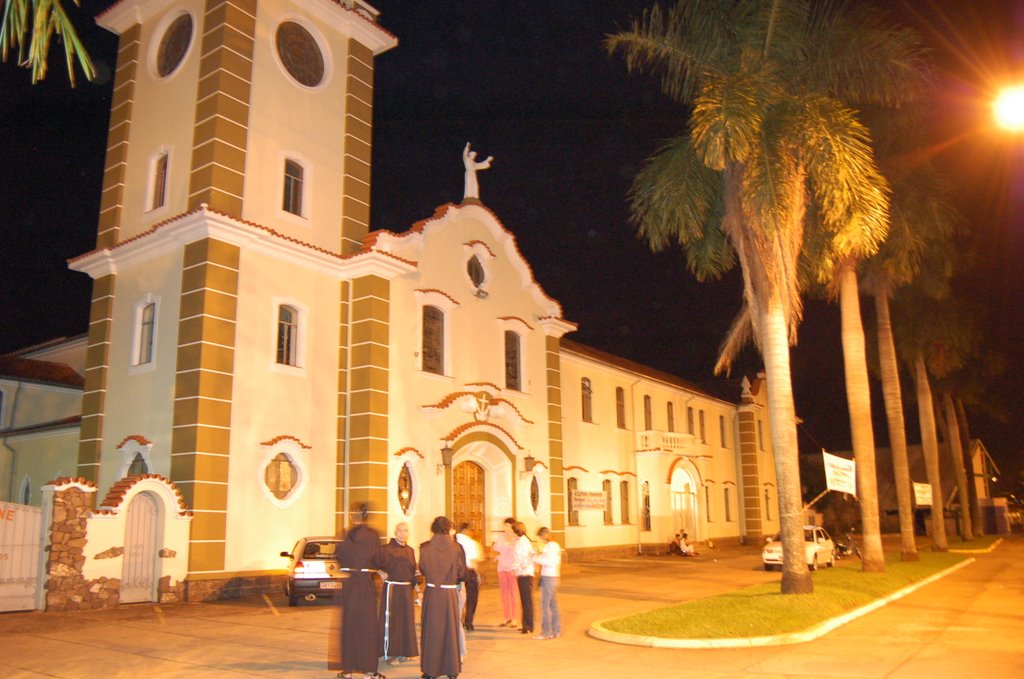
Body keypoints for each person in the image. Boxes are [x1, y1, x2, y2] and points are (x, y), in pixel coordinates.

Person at [332, 503, 385, 679]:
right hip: (364, 584)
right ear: (365, 515)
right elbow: (377, 559)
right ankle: (369, 671)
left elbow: (339, 556)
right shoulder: (372, 535)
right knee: (367, 627)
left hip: (349, 585)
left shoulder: (344, 534)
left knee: (349, 626)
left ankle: (347, 671)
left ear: (351, 516)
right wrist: (377, 569)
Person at [419, 516, 467, 679]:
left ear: (433, 528)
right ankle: (452, 670)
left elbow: (423, 568)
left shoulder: (425, 548)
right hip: (449, 594)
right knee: (450, 630)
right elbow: (461, 573)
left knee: (432, 630)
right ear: (448, 528)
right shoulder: (456, 548)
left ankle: (431, 671)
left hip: (432, 593)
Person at [378, 522, 418, 668]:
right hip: (392, 588)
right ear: (395, 532)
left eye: (406, 530)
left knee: (406, 621)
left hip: (406, 590)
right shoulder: (385, 549)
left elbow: (413, 571)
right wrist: (380, 572)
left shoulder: (411, 550)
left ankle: (405, 651)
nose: (403, 533)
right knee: (392, 622)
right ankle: (390, 654)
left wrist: (417, 588)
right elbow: (372, 562)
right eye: (400, 530)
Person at [531, 527, 561, 640]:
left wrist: (534, 557)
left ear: (544, 536)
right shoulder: (555, 545)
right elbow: (549, 559)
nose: (540, 540)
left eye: (540, 537)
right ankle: (556, 631)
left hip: (548, 577)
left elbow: (548, 561)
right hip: (554, 577)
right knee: (553, 605)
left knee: (545, 606)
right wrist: (539, 555)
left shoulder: (550, 546)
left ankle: (546, 633)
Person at [454, 522, 481, 631]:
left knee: (457, 596)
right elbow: (473, 560)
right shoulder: (470, 542)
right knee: (472, 597)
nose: (471, 532)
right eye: (470, 530)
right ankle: (468, 622)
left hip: (456, 572)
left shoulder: (453, 540)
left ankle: (457, 620)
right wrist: (477, 573)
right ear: (465, 530)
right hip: (469, 571)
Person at [490, 517, 518, 628]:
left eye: (507, 526)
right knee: (504, 594)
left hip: (512, 568)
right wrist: (495, 556)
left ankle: (515, 618)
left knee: (514, 594)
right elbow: (495, 549)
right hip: (501, 567)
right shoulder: (501, 537)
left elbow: (517, 553)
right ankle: (507, 617)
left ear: (512, 527)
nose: (505, 528)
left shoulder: (516, 539)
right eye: (504, 525)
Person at [511, 521, 535, 635]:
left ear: (516, 531)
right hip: (521, 573)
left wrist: (518, 569)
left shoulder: (524, 542)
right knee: (524, 601)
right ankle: (525, 624)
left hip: (525, 574)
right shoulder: (521, 541)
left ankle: (529, 626)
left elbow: (526, 559)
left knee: (527, 601)